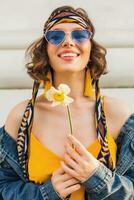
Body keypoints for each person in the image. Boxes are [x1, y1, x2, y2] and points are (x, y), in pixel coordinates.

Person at [0, 5, 134, 200]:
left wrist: (97, 176)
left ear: (90, 47)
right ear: (45, 49)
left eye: (80, 35)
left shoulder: (116, 113)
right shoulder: (22, 117)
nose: (68, 42)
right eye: (56, 36)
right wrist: (47, 192)